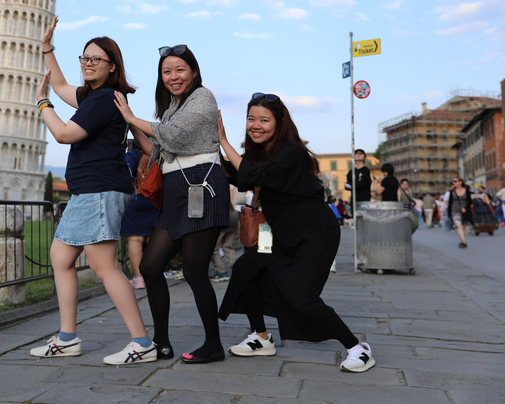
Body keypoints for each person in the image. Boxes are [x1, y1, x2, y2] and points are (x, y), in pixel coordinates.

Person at [217, 93, 375, 373]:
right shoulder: (259, 153)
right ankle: (262, 337)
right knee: (246, 270)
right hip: (279, 232)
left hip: (312, 232)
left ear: (280, 122)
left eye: (264, 120)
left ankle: (357, 347)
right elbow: (234, 172)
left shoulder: (290, 151)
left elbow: (251, 175)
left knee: (302, 299)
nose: (256, 125)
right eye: (251, 119)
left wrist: (223, 140)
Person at [30, 16, 156, 365]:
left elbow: (65, 134)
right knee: (61, 257)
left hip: (100, 191)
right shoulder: (93, 97)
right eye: (84, 58)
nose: (87, 63)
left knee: (104, 268)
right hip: (89, 192)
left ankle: (141, 342)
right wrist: (47, 48)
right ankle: (68, 337)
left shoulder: (102, 100)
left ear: (112, 66)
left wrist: (42, 104)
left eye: (95, 59)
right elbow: (60, 84)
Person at [114, 44, 230, 364]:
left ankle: (213, 345)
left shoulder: (203, 97)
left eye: (180, 70)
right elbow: (158, 146)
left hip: (202, 188)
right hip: (176, 191)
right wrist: (128, 124)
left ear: (193, 71)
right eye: (167, 71)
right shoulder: (170, 109)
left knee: (194, 271)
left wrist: (131, 116)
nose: (173, 77)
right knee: (151, 267)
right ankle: (161, 341)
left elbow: (175, 137)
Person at [120, 140, 158, 290]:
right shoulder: (156, 155)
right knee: (152, 238)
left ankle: (139, 278)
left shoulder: (134, 154)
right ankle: (153, 276)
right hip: (155, 200)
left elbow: (126, 174)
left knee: (135, 239)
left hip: (137, 198)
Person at [211, 186, 239, 282]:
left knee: (213, 248)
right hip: (232, 219)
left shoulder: (211, 190)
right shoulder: (223, 188)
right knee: (228, 246)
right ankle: (236, 270)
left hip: (221, 220)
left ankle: (221, 273)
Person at [448, 177, 472, 248]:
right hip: (455, 210)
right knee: (459, 225)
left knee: (463, 226)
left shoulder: (466, 191)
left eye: (455, 181)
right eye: (453, 181)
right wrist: (449, 214)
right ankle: (464, 241)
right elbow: (450, 203)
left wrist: (466, 208)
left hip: (464, 211)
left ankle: (461, 241)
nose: (454, 183)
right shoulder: (452, 192)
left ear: (460, 182)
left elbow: (469, 201)